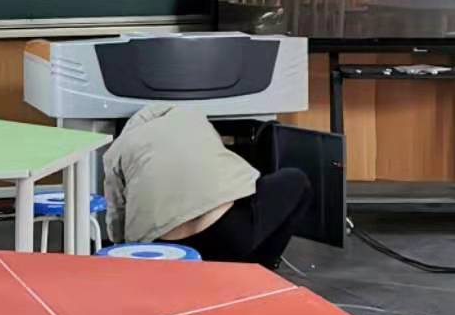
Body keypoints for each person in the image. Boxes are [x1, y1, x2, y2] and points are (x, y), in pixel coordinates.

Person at [103, 101, 313, 271]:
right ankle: (262, 271)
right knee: (296, 179)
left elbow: (116, 219)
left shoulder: (117, 150)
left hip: (169, 254)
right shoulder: (191, 118)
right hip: (228, 234)